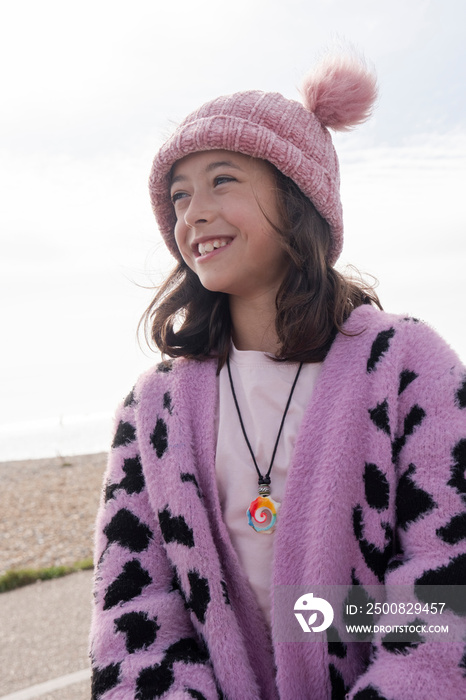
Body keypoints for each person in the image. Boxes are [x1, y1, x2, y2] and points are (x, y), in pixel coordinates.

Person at [89, 52, 466, 700]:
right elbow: (135, 618)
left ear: (297, 198)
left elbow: (443, 592)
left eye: (222, 180)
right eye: (178, 196)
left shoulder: (407, 366)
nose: (192, 214)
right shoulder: (153, 410)